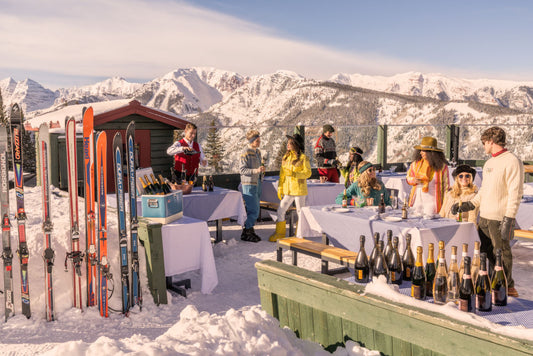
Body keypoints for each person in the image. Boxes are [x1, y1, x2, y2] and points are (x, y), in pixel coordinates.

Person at [452, 127, 523, 297]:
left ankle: (507, 288)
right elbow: (484, 191)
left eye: (484, 143)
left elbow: (516, 193)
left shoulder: (512, 161)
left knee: (502, 254)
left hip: (499, 218)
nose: (483, 146)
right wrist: (468, 205)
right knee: (485, 255)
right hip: (483, 217)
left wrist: (509, 219)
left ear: (491, 141)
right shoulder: (489, 163)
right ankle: (493, 285)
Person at [269, 134, 312, 242]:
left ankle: (300, 235)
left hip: (299, 190)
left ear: (296, 145)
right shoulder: (285, 158)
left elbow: (308, 173)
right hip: (288, 190)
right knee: (281, 209)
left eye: (290, 143)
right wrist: (280, 188)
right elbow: (282, 175)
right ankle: (280, 233)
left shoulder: (303, 158)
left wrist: (294, 174)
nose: (287, 144)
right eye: (287, 142)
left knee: (300, 212)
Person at [406, 136, 449, 216]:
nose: (420, 153)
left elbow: (446, 187)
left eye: (423, 151)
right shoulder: (415, 164)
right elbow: (408, 178)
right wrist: (413, 180)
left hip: (432, 204)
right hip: (417, 203)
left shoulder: (442, 167)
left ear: (431, 153)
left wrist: (445, 205)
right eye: (420, 150)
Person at [239, 130, 265, 243]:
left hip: (257, 182)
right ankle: (247, 230)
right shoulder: (245, 152)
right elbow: (242, 170)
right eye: (257, 140)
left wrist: (261, 171)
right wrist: (256, 170)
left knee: (256, 208)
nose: (259, 142)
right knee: (253, 208)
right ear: (251, 141)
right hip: (248, 184)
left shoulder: (258, 152)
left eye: (259, 140)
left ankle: (249, 230)